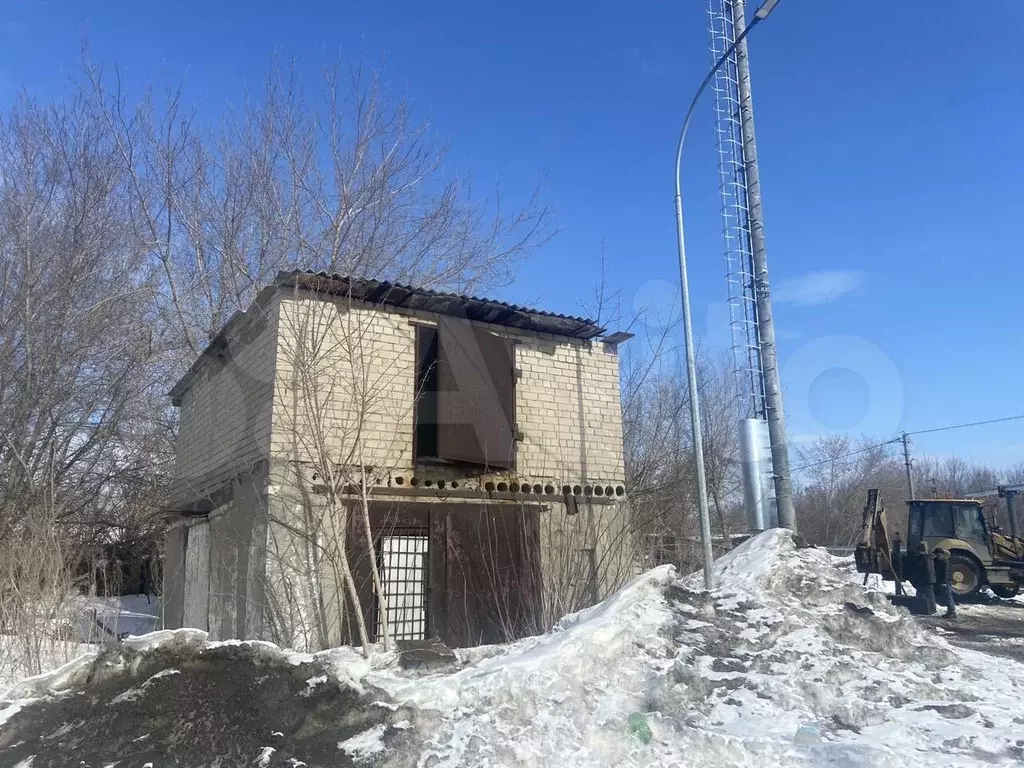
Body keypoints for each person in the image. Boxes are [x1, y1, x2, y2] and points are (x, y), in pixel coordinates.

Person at [933, 547, 957, 618]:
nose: (936, 555)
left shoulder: (944, 562)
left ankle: (952, 612)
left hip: (946, 582)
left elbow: (946, 573)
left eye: (937, 554)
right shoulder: (938, 561)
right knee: (946, 596)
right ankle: (950, 611)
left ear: (941, 554)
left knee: (948, 596)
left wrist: (944, 582)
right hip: (942, 581)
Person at [916, 543, 937, 615]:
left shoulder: (924, 558)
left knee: (928, 595)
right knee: (927, 594)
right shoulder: (929, 557)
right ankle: (927, 608)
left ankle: (931, 609)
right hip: (929, 579)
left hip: (926, 580)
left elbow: (927, 570)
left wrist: (922, 578)